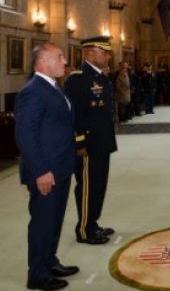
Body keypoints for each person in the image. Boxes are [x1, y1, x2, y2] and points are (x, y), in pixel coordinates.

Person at [15, 43, 79, 290]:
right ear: (43, 61)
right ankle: (38, 274)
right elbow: (25, 135)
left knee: (54, 220)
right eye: (60, 57)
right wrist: (41, 170)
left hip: (60, 167)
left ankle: (49, 261)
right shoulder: (33, 91)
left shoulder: (52, 86)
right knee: (42, 222)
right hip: (46, 171)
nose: (64, 61)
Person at [64, 36, 117, 245]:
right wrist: (80, 143)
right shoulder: (78, 79)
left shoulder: (100, 77)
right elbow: (75, 114)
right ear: (90, 53)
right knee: (87, 186)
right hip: (88, 144)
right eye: (105, 52)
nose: (108, 56)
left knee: (99, 185)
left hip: (102, 141)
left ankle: (93, 222)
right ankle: (84, 229)